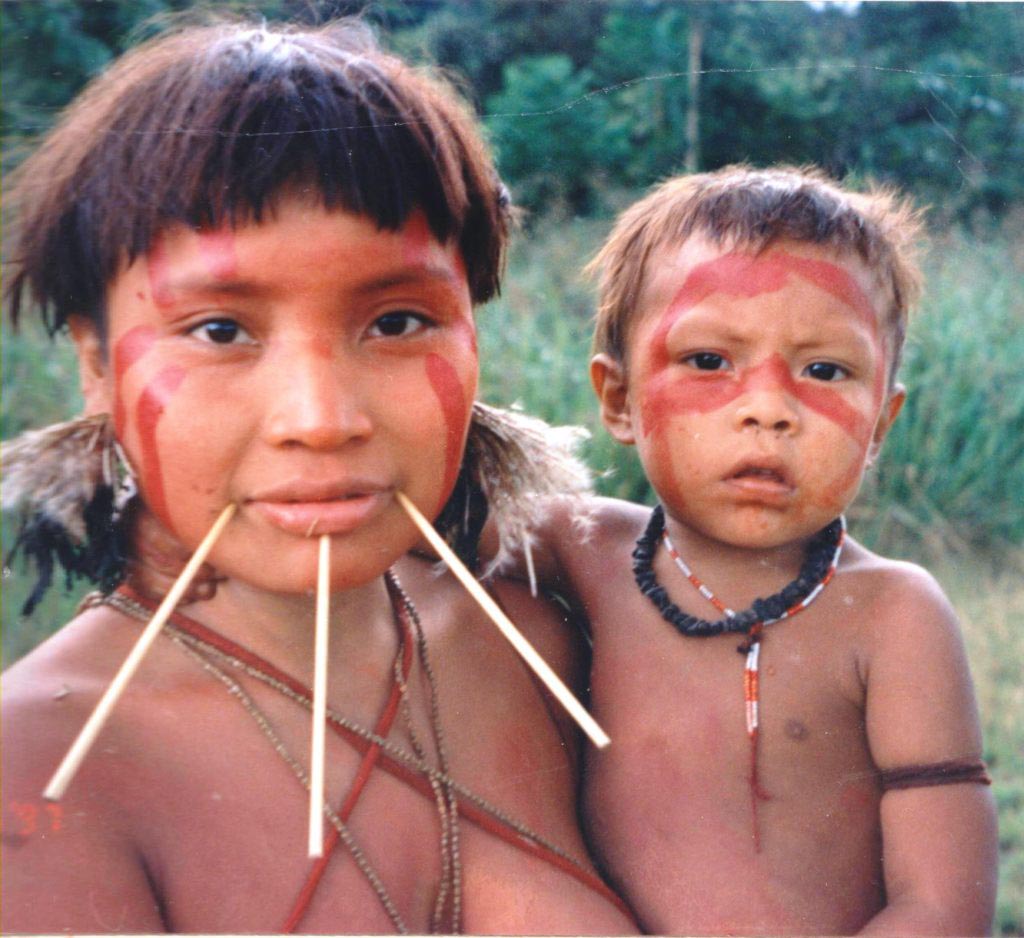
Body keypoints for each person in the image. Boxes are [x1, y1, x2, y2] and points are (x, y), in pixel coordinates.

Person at [0, 19, 638, 935]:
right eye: (220, 330)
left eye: (397, 322)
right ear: (96, 364)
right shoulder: (42, 770)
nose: (322, 418)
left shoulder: (539, 643)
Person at [495, 166, 998, 935]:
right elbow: (417, 505)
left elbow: (942, 903)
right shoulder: (584, 548)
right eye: (708, 361)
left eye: (824, 370)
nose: (768, 409)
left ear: (880, 425)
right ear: (618, 400)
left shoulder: (893, 615)